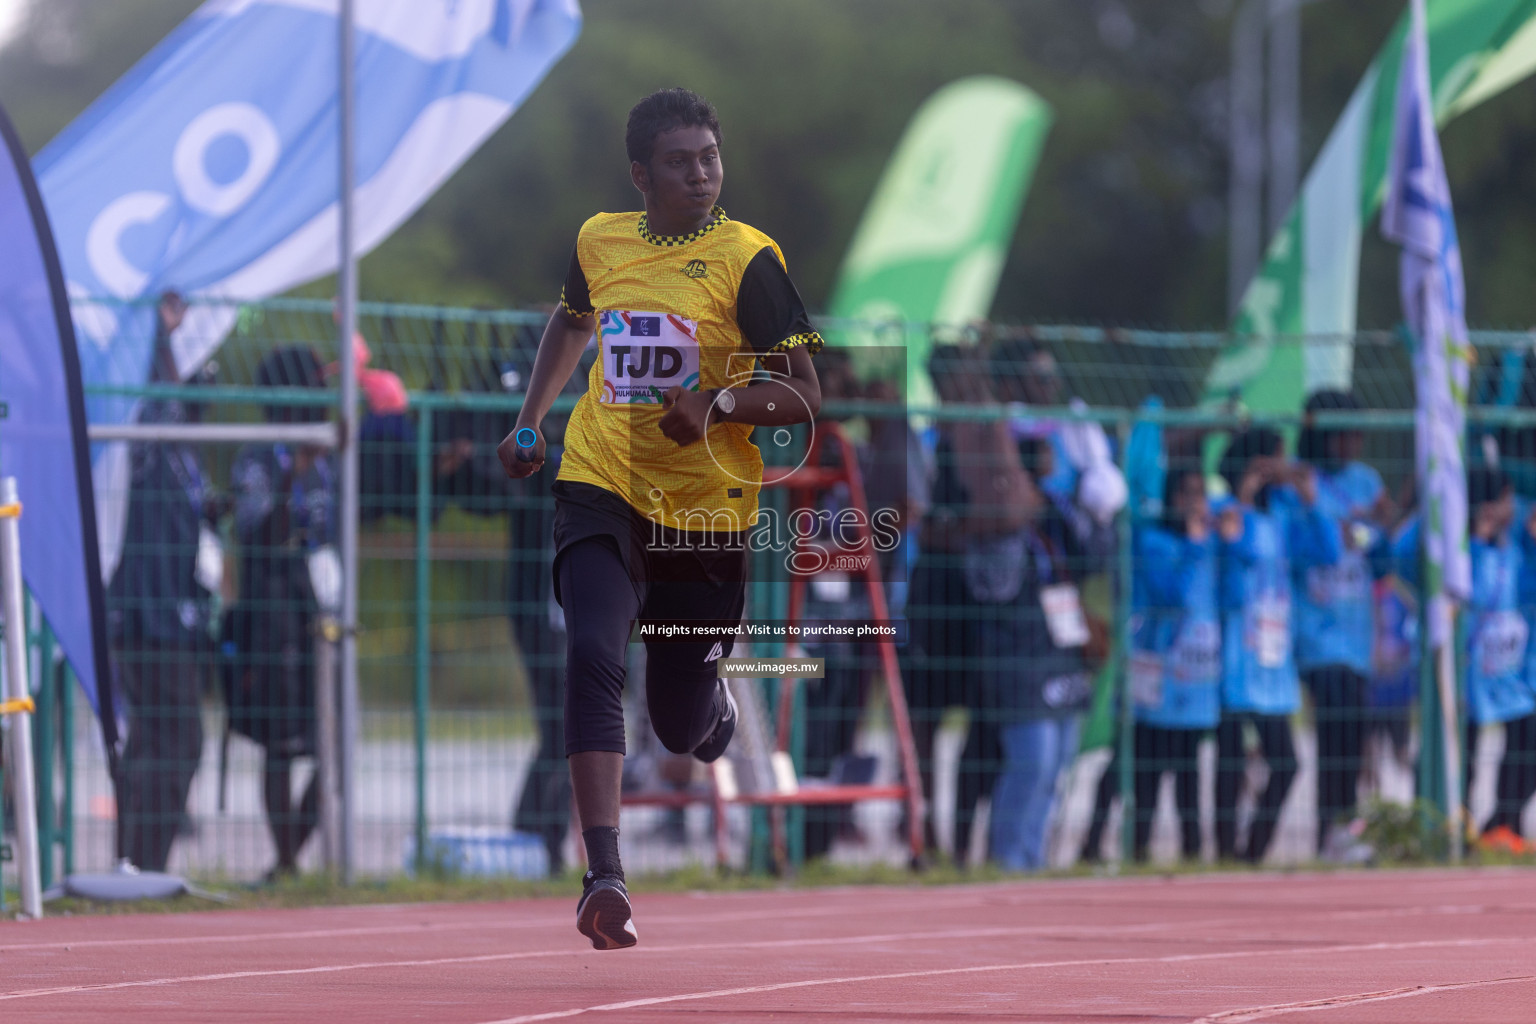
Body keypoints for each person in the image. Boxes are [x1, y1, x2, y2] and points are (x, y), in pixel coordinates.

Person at [495, 88, 823, 949]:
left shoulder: (750, 260)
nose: (701, 175)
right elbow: (570, 324)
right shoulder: (598, 239)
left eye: (710, 157)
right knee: (595, 652)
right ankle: (604, 874)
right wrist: (531, 419)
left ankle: (708, 708)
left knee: (677, 722)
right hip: (600, 479)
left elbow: (804, 396)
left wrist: (716, 404)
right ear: (641, 174)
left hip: (704, 513)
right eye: (680, 163)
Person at [107, 290, 214, 873]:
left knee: (158, 741)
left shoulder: (188, 459)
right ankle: (141, 865)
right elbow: (156, 400)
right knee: (172, 742)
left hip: (171, 613)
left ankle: (140, 865)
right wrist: (161, 335)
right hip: (146, 614)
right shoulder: (153, 445)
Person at [226, 345, 336, 882]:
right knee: (280, 743)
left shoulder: (331, 453)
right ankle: (286, 860)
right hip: (271, 616)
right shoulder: (257, 458)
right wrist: (296, 470)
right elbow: (259, 535)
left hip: (321, 613)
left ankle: (292, 854)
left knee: (334, 741)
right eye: (315, 385)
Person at [1214, 427, 1339, 864]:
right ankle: (1224, 852)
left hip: (1273, 655)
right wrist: (1244, 497)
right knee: (1230, 761)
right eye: (1274, 460)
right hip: (1234, 652)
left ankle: (1253, 850)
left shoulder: (1284, 516)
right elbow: (1239, 556)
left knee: (1286, 762)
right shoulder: (1225, 510)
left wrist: (1310, 497)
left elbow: (1329, 552)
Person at [1294, 390, 1389, 861]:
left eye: (1357, 434)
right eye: (1342, 435)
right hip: (1316, 630)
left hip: (1356, 632)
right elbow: (1315, 545)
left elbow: (1377, 541)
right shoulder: (1298, 480)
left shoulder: (1367, 481)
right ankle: (1331, 827)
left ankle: (1340, 828)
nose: (1352, 444)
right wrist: (1352, 528)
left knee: (1355, 730)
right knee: (1334, 728)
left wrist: (1368, 528)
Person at [1123, 464, 1220, 862]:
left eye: (1201, 493)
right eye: (1187, 493)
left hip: (1196, 683)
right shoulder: (1154, 543)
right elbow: (1173, 596)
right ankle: (1135, 847)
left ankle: (1194, 850)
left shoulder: (1207, 545)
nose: (1196, 503)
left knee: (1189, 773)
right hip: (1159, 679)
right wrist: (1196, 544)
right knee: (1144, 770)